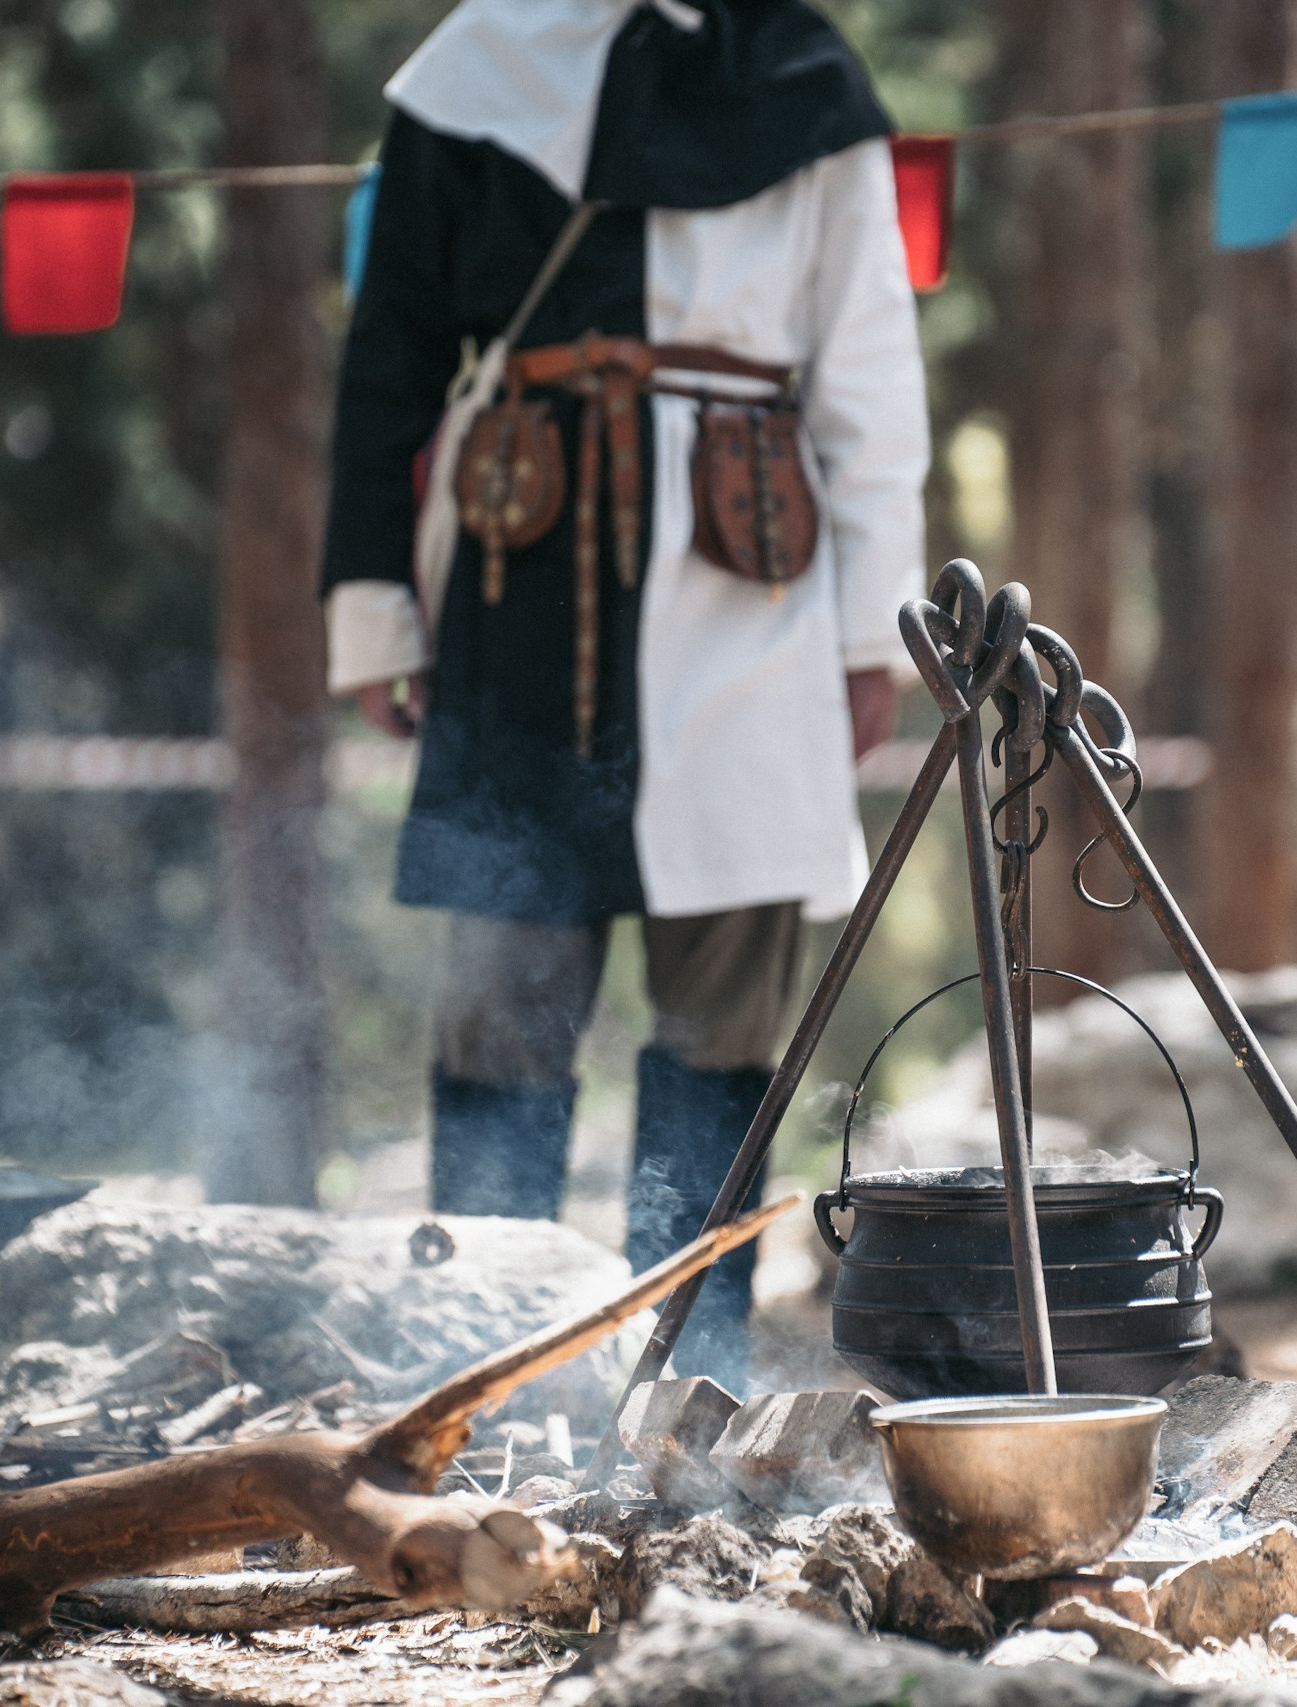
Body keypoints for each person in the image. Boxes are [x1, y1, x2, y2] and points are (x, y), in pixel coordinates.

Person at [323, 0, 927, 1383]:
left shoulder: (805, 78)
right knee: (498, 1000)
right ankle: (486, 1372)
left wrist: (863, 637)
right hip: (512, 587)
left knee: (723, 1010)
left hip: (748, 586)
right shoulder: (475, 68)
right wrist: (372, 610)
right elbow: (393, 357)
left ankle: (692, 1368)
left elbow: (868, 366)